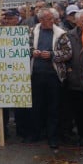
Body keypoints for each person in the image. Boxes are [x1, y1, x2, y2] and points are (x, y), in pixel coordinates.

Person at [28, 8, 72, 149]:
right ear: (40, 20)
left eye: (52, 18)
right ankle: (36, 133)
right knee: (36, 106)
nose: (51, 21)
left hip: (54, 76)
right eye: (48, 18)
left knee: (53, 108)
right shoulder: (32, 31)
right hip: (35, 75)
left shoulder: (61, 34)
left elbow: (68, 53)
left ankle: (52, 137)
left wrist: (53, 55)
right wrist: (32, 52)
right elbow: (24, 47)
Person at [65, 9, 83, 146]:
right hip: (75, 79)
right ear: (76, 22)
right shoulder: (69, 35)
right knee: (79, 111)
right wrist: (69, 70)